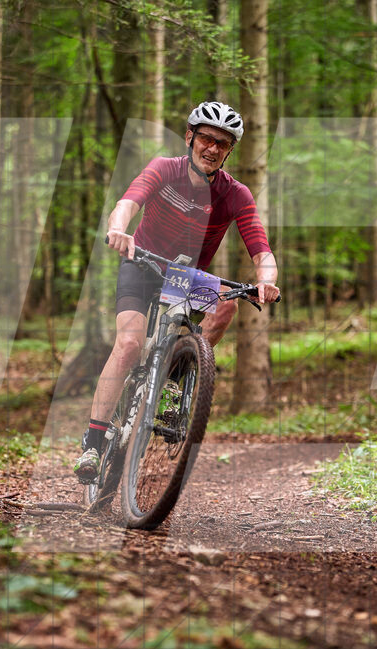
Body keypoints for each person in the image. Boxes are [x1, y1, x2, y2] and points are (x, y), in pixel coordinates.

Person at [74, 101, 281, 483]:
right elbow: (128, 202)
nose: (212, 148)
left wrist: (266, 279)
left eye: (222, 143)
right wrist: (118, 230)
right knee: (129, 344)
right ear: (189, 137)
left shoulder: (235, 193)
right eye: (206, 138)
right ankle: (94, 441)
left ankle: (173, 377)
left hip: (186, 278)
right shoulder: (164, 169)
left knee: (226, 306)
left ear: (229, 151)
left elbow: (260, 248)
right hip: (142, 263)